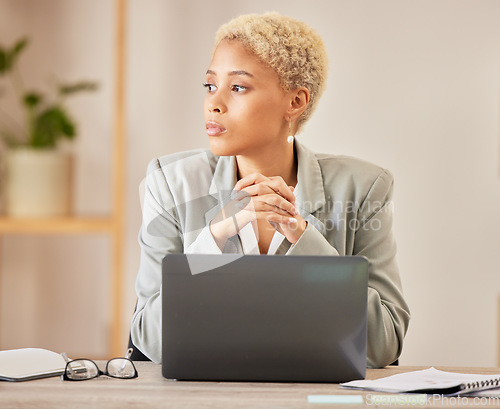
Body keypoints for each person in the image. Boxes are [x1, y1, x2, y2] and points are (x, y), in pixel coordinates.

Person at [131, 12, 410, 368]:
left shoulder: (363, 187)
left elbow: (384, 343)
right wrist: (215, 238)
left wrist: (306, 240)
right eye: (210, 85)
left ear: (296, 102)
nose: (214, 103)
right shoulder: (170, 182)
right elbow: (151, 341)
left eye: (238, 87)